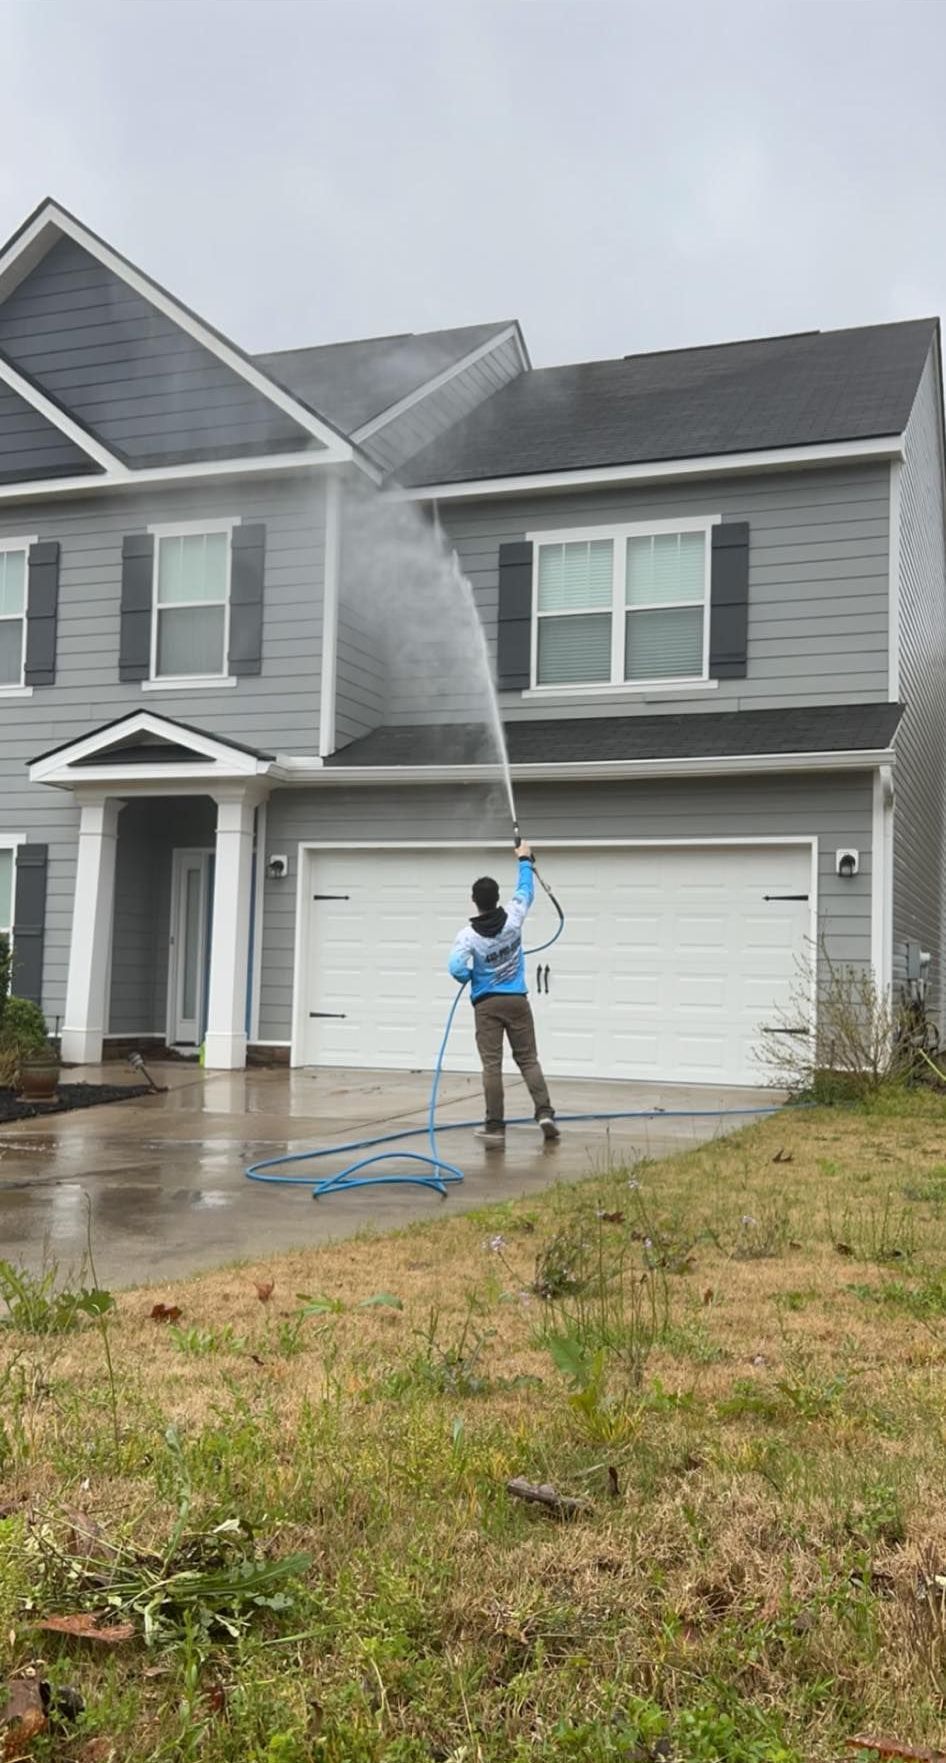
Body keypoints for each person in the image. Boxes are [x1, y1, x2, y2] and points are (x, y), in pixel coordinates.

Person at [448, 841, 559, 1150]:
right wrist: (525, 859)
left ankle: (495, 1126)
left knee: (492, 1066)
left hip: (487, 1005)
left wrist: (470, 976)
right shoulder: (513, 917)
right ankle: (545, 1114)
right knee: (528, 1059)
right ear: (497, 898)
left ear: (475, 901)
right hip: (518, 1001)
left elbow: (455, 965)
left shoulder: (468, 936)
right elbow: (526, 891)